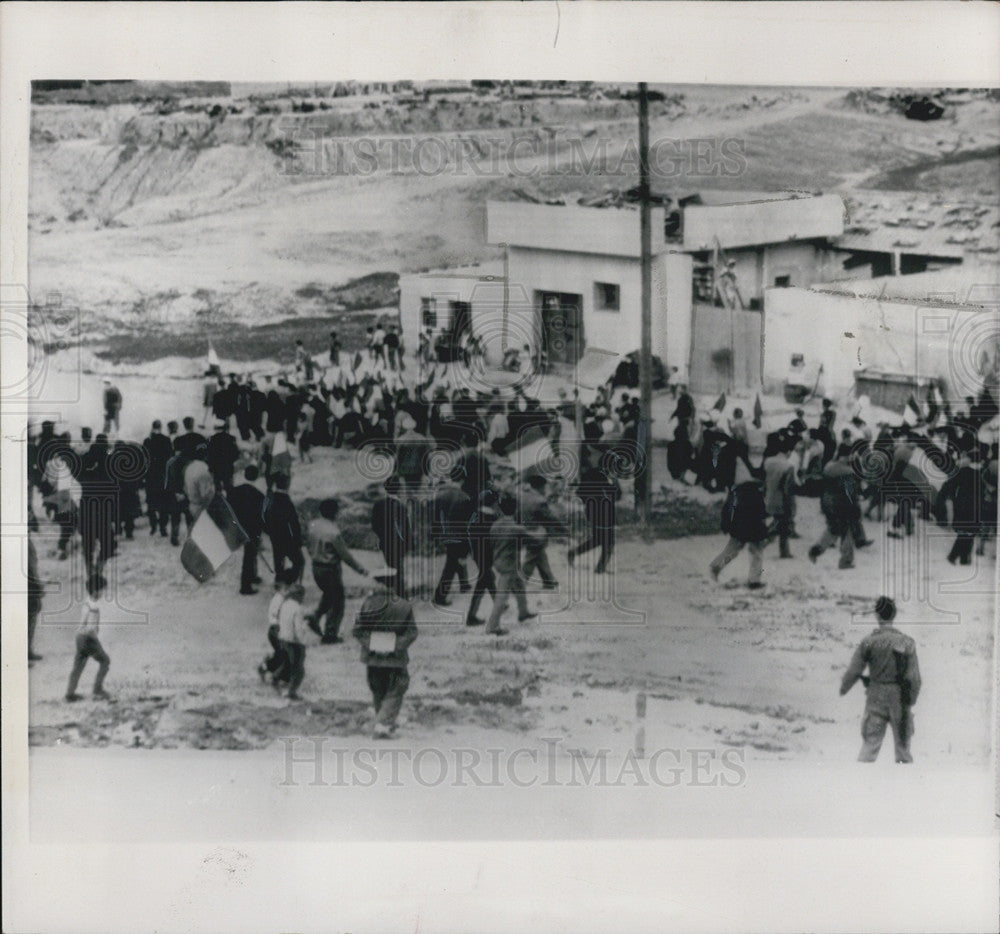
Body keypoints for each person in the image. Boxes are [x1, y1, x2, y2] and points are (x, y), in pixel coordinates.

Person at [840, 597, 921, 763]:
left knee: (869, 747)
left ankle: (861, 786)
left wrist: (843, 688)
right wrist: (910, 700)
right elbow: (914, 678)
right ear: (894, 615)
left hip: (875, 696)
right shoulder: (906, 642)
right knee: (903, 751)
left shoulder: (869, 642)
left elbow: (854, 671)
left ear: (877, 615)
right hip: (899, 699)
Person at [352, 568, 418, 738]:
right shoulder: (403, 605)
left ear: (377, 583)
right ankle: (383, 723)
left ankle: (383, 719)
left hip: (372, 657)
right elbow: (411, 633)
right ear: (394, 584)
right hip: (395, 658)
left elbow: (358, 631)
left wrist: (373, 645)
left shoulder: (367, 604)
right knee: (397, 687)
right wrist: (394, 646)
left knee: (378, 689)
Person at [306, 498, 370, 644]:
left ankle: (315, 617)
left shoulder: (312, 525)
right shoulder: (334, 532)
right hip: (330, 569)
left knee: (329, 594)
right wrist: (361, 569)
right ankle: (330, 634)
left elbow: (308, 544)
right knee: (337, 601)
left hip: (316, 566)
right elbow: (345, 555)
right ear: (335, 513)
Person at [709, 457, 768, 589]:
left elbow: (728, 509)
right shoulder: (755, 491)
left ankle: (716, 567)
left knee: (733, 548)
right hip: (754, 525)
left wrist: (726, 524)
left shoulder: (735, 491)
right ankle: (754, 580)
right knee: (757, 551)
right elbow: (762, 510)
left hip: (739, 525)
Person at [485, 494, 537, 635]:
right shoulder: (515, 528)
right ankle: (492, 626)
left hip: (499, 562)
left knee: (519, 585)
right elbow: (533, 539)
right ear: (515, 510)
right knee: (502, 597)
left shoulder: (495, 526)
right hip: (509, 565)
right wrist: (542, 533)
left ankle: (523, 612)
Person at [809, 444, 861, 569]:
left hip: (827, 502)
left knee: (833, 529)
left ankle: (817, 549)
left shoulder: (829, 466)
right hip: (843, 504)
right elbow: (851, 493)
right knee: (847, 531)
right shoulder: (848, 471)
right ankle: (846, 560)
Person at [65, 573, 112, 702]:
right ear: (97, 591)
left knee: (78, 666)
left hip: (80, 637)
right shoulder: (94, 606)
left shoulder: (87, 602)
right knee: (105, 661)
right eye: (103, 589)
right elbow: (91, 626)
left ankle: (69, 693)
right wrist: (95, 639)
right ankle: (97, 689)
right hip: (88, 638)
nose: (103, 592)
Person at [568, 462, 620, 574]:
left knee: (599, 539)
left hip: (599, 512)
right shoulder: (598, 475)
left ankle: (574, 553)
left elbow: (617, 495)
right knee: (608, 541)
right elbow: (616, 495)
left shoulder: (601, 475)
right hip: (600, 511)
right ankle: (600, 568)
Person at [519, 473, 562, 590]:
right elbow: (551, 518)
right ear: (540, 487)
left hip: (522, 531)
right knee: (531, 558)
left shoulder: (522, 496)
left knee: (540, 556)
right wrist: (563, 529)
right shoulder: (539, 500)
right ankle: (519, 583)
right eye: (544, 487)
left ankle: (549, 581)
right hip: (536, 533)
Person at [371, 476, 411, 597]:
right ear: (398, 489)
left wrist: (382, 536)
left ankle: (391, 591)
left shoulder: (378, 505)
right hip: (399, 543)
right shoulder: (401, 507)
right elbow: (406, 529)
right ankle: (401, 595)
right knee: (399, 568)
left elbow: (375, 525)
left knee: (390, 566)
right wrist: (409, 544)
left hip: (385, 542)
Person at [229, 465, 266, 595]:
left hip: (238, 526)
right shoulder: (259, 494)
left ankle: (251, 577)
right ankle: (246, 585)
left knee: (250, 555)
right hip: (253, 528)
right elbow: (262, 515)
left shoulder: (235, 490)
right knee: (250, 555)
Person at [763, 436, 797, 559]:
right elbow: (788, 489)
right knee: (783, 527)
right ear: (788, 452)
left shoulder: (768, 462)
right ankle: (783, 551)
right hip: (782, 501)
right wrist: (791, 505)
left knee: (779, 524)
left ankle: (782, 550)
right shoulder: (788, 466)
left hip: (769, 497)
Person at [259, 571, 292, 689]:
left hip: (279, 631)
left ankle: (267, 667)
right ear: (279, 587)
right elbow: (275, 616)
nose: (288, 590)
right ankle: (280, 678)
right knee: (285, 655)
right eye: (286, 588)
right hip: (276, 631)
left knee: (282, 655)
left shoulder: (282, 598)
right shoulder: (278, 600)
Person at [277, 582, 308, 701]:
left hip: (282, 638)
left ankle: (274, 680)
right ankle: (291, 692)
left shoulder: (285, 605)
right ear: (299, 595)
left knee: (285, 664)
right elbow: (298, 629)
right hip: (293, 642)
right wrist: (303, 643)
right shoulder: (298, 608)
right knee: (298, 669)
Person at [143, 420, 173, 538]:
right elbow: (170, 458)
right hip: (163, 476)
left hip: (151, 476)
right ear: (161, 427)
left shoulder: (148, 441)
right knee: (164, 502)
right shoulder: (166, 440)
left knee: (151, 502)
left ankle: (153, 526)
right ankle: (163, 527)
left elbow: (144, 459)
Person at [28, 536, 43, 663]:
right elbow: (32, 568)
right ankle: (26, 652)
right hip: (29, 586)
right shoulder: (26, 542)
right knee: (30, 617)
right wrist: (39, 585)